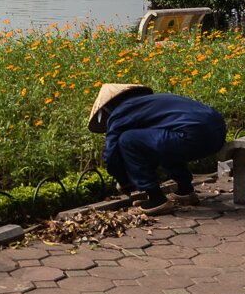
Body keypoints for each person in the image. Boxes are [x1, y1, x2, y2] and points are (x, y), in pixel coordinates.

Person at [89, 83, 227, 214]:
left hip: (192, 136)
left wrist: (124, 182)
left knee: (127, 139)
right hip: (218, 133)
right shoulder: (151, 102)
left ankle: (156, 199)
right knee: (159, 138)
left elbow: (110, 155)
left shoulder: (120, 112)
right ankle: (185, 190)